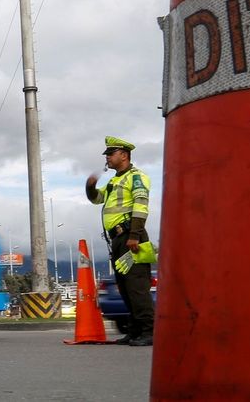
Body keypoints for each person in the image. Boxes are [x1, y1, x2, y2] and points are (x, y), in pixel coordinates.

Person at [85, 136, 155, 346]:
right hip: (118, 239)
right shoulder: (114, 181)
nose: (107, 158)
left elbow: (141, 205)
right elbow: (97, 200)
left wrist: (134, 235)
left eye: (110, 154)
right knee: (125, 286)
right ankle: (134, 331)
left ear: (123, 155)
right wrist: (90, 187)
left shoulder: (136, 177)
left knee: (136, 286)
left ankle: (149, 331)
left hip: (131, 236)